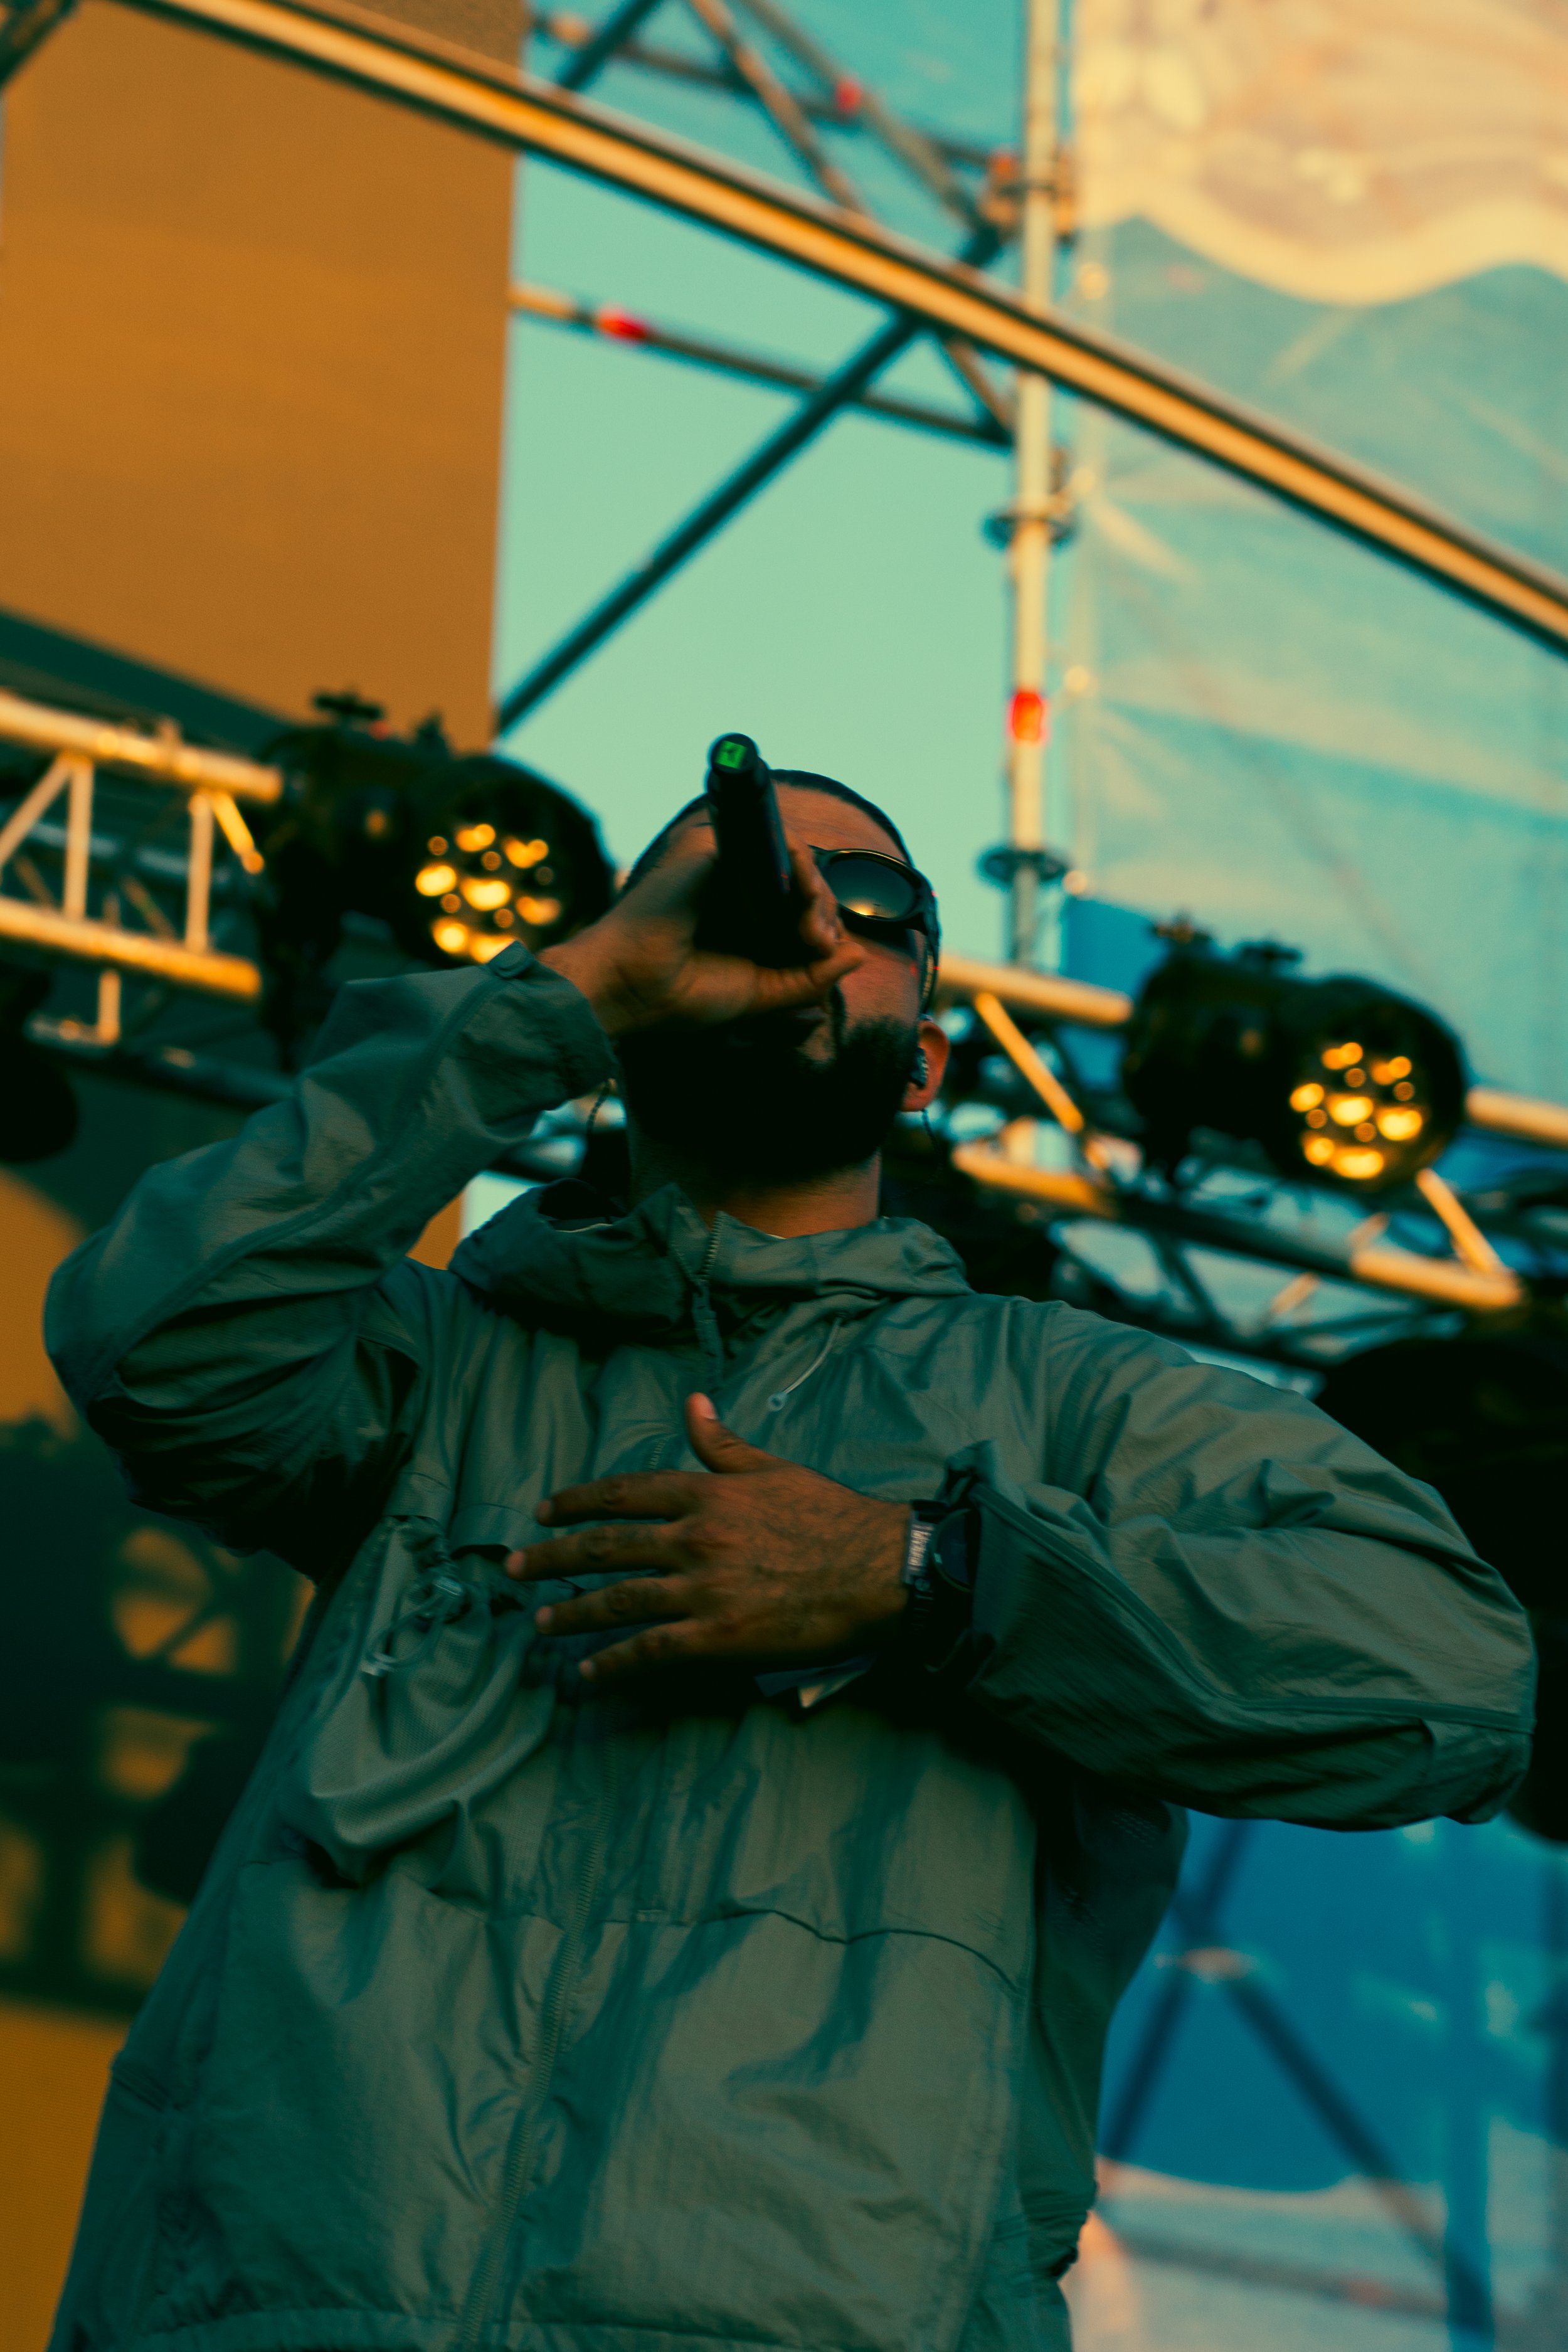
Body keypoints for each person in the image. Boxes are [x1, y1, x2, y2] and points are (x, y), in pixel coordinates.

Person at [46, 769, 1533, 2352]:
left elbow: (1449, 1669)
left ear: (929, 1066)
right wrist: (566, 991)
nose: (804, 931)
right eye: (729, 895)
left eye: (872, 913)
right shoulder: (439, 1373)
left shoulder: (1061, 1395)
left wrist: (923, 1572)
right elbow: (151, 1347)